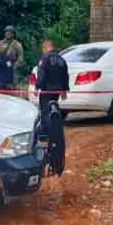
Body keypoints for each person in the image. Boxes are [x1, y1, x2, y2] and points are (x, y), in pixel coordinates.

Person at [36, 40, 69, 175]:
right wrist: (64, 90)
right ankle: (55, 132)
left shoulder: (45, 59)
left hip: (46, 92)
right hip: (56, 93)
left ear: (45, 48)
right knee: (54, 112)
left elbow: (42, 75)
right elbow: (65, 76)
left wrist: (38, 86)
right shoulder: (62, 60)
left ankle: (45, 135)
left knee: (45, 113)